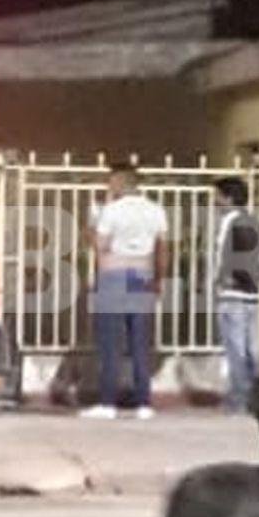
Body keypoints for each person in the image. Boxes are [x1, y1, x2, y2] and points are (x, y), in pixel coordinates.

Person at [82, 163, 169, 420]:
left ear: (119, 182)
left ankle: (108, 402)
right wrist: (159, 278)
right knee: (140, 341)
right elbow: (163, 248)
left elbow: (100, 245)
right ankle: (143, 403)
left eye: (110, 182)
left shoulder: (111, 210)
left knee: (110, 342)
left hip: (114, 274)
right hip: (142, 274)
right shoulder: (156, 210)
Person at [211, 177, 259, 414]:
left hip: (233, 296)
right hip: (250, 296)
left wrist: (236, 278)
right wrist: (255, 279)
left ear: (228, 198)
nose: (215, 200)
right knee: (250, 350)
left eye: (218, 196)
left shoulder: (234, 222)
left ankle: (240, 400)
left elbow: (241, 255)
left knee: (237, 351)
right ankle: (254, 398)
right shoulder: (252, 221)